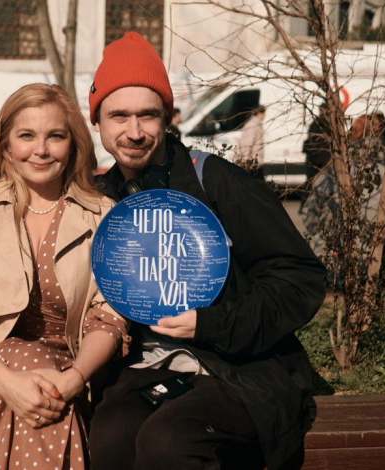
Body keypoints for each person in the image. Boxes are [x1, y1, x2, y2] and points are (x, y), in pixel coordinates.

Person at [88, 32, 326, 470]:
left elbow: (300, 278)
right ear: (97, 121)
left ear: (167, 117)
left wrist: (212, 324)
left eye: (148, 115)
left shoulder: (214, 181)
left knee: (169, 442)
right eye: (118, 115)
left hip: (240, 368)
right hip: (148, 368)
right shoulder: (101, 198)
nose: (134, 132)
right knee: (109, 442)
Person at [0, 83, 129, 469]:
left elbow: (110, 315)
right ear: (5, 144)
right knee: (25, 362)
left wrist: (75, 378)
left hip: (73, 368)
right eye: (26, 136)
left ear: (73, 144)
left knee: (39, 379)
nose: (41, 149)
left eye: (55, 136)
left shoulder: (103, 214)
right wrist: (4, 379)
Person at [301, 114, 385, 265]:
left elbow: (310, 215)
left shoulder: (336, 170)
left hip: (339, 262)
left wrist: (328, 239)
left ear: (354, 134)